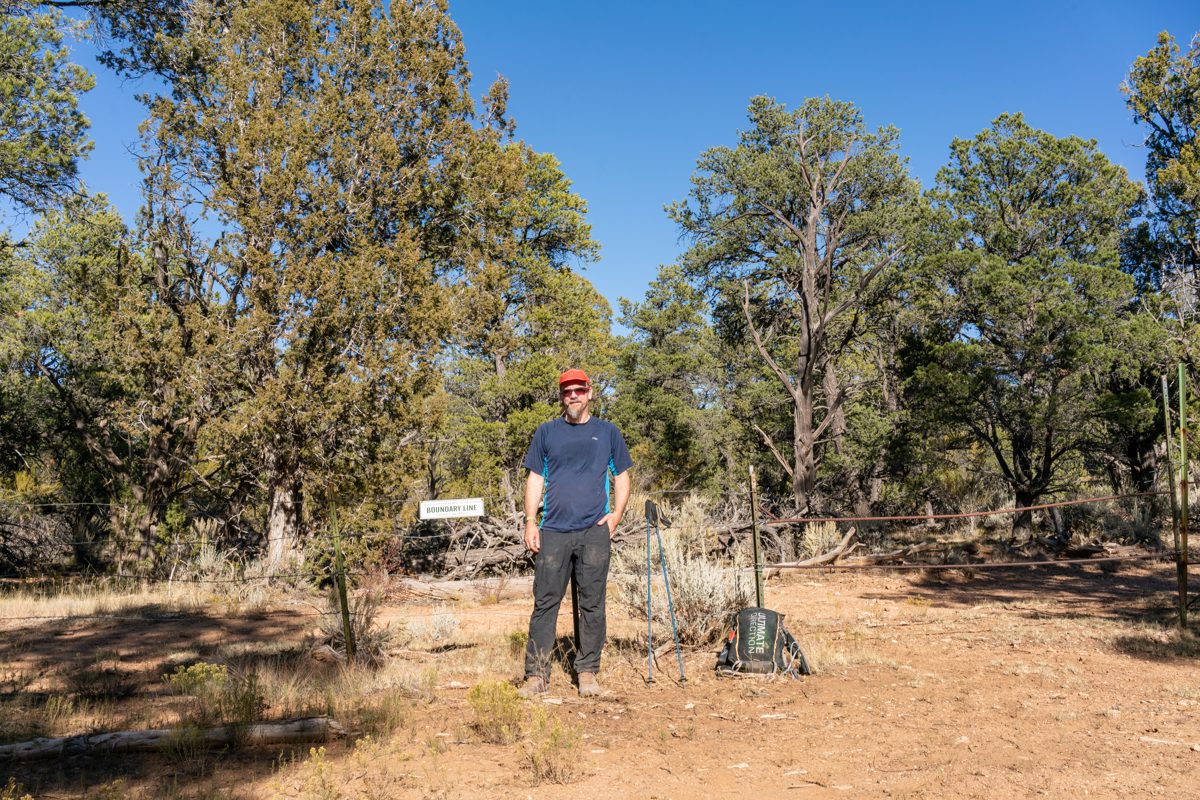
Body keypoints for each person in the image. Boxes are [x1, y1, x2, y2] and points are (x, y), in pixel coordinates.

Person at [519, 368, 632, 697]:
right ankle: (536, 676)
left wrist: (616, 515)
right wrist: (529, 520)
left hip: (594, 532)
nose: (573, 396)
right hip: (552, 532)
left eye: (579, 390)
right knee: (545, 603)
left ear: (589, 393)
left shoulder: (608, 433)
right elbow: (535, 479)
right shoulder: (546, 433)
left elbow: (622, 476)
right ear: (560, 396)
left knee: (592, 604)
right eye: (567, 391)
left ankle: (587, 672)